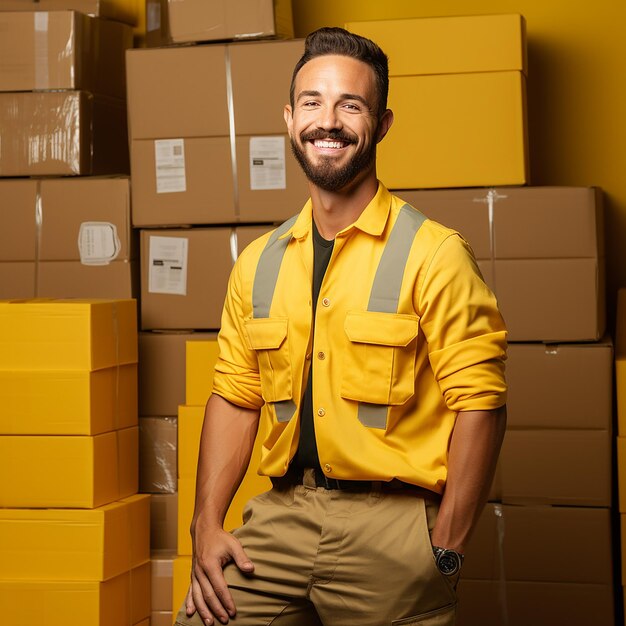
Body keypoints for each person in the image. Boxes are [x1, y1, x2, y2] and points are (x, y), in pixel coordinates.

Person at [175, 26, 507, 626]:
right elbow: (235, 396)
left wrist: (447, 548)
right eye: (312, 103)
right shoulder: (259, 264)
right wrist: (205, 523)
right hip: (282, 514)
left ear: (381, 124)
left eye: (350, 105)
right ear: (289, 118)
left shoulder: (434, 254)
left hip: (393, 528)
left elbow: (481, 402)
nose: (328, 122)